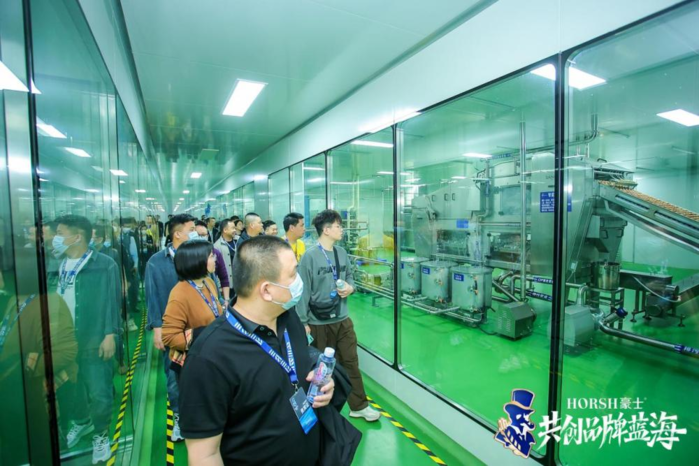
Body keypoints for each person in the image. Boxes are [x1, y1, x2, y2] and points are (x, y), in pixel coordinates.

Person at [179, 236, 335, 465]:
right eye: (293, 273)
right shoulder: (209, 358)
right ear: (267, 290)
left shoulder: (288, 318)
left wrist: (322, 383)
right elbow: (205, 455)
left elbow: (296, 365)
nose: (299, 280)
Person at [296, 209, 380, 422]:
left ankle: (359, 406)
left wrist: (351, 288)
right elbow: (303, 292)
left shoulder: (341, 253)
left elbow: (350, 276)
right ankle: (318, 410)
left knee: (351, 361)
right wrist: (303, 322)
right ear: (326, 230)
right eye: (338, 226)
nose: (342, 229)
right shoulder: (309, 257)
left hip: (342, 319)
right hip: (318, 322)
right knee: (320, 368)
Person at [53, 215, 121, 462]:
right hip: (64, 341)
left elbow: (112, 301)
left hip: (94, 338)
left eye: (60, 233)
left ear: (77, 237)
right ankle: (82, 422)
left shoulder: (103, 264)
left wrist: (110, 334)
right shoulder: (56, 264)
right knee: (72, 388)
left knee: (99, 392)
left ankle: (101, 434)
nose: (56, 238)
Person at [145, 214, 197, 441]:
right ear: (177, 234)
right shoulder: (156, 262)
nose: (195, 233)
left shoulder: (197, 257)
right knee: (175, 374)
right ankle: (179, 417)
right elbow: (153, 296)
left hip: (198, 327)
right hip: (174, 330)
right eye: (191, 229)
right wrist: (158, 328)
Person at [161, 240, 221, 374]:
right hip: (194, 363)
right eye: (211, 256)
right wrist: (201, 340)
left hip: (212, 357)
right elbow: (169, 336)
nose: (215, 259)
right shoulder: (179, 294)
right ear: (197, 261)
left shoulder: (208, 282)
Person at [194, 221, 230, 303]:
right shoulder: (189, 256)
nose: (202, 238)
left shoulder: (215, 252)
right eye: (199, 235)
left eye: (204, 235)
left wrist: (226, 300)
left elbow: (224, 277)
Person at [213, 219, 237, 298]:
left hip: (239, 282)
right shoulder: (217, 246)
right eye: (232, 228)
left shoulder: (238, 240)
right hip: (228, 285)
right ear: (225, 230)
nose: (235, 230)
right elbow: (216, 269)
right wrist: (220, 287)